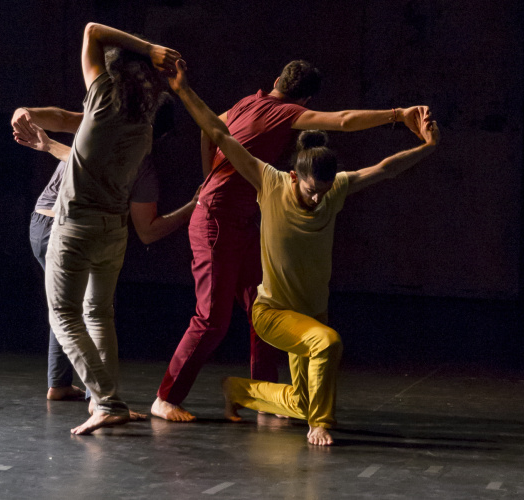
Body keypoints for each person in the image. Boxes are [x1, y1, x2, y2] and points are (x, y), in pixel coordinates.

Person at [168, 58, 438, 445]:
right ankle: (319, 425)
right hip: (274, 309)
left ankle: (240, 391)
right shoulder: (270, 182)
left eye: (324, 191)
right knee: (324, 342)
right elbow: (216, 131)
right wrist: (182, 89)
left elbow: (384, 169)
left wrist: (429, 146)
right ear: (294, 176)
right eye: (312, 190)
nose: (318, 198)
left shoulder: (334, 190)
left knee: (301, 398)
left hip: (307, 307)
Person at [26, 22, 179, 434]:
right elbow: (80, 152)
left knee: (64, 315)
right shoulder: (144, 128)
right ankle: (104, 400)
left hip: (76, 226)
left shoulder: (101, 100)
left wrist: (149, 47)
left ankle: (107, 401)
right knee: (98, 314)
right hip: (113, 232)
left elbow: (92, 30)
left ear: (109, 74)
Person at [13, 101, 197, 402]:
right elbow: (147, 229)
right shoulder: (139, 160)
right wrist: (191, 208)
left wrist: (28, 118)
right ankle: (99, 397)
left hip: (39, 223)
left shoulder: (97, 128)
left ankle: (60, 383)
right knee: (92, 311)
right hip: (67, 227)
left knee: (66, 304)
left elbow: (62, 121)